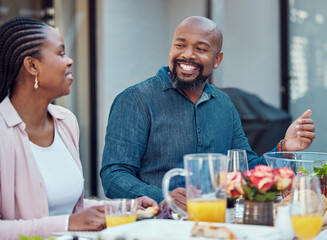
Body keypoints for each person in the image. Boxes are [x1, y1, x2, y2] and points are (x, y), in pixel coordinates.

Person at [100, 16, 315, 209]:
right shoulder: (135, 99)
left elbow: (245, 171)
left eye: (201, 49)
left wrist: (284, 148)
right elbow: (114, 175)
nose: (187, 55)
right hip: (158, 226)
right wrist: (162, 196)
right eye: (180, 45)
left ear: (217, 60)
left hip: (216, 222)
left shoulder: (223, 104)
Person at [0, 17, 157, 240]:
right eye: (61, 53)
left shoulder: (66, 122)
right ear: (32, 66)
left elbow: (73, 209)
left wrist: (125, 207)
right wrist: (68, 224)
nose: (70, 61)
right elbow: (69, 220)